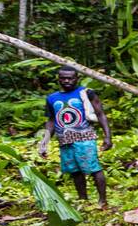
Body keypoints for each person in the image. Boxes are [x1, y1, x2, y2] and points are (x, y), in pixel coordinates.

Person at [38, 66, 112, 208]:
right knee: (75, 171)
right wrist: (44, 142)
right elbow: (51, 121)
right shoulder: (52, 98)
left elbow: (100, 114)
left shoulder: (86, 93)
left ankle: (102, 200)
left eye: (70, 78)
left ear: (76, 78)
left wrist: (108, 137)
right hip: (64, 140)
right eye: (63, 78)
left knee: (94, 168)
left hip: (85, 137)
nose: (67, 81)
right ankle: (83, 200)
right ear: (58, 79)